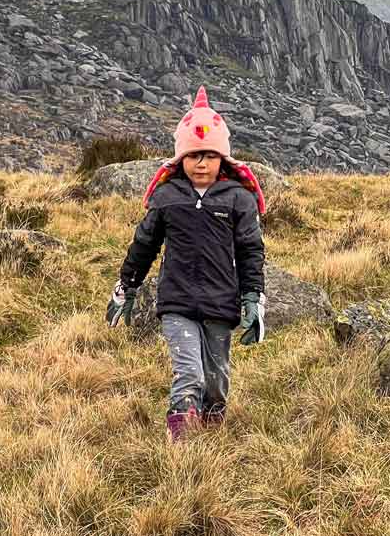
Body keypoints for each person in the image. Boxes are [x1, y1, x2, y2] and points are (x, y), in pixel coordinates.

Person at [106, 86, 268, 442]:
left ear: (222, 159)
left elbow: (250, 250)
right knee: (189, 375)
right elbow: (144, 244)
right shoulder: (167, 198)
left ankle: (210, 438)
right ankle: (179, 449)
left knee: (216, 383)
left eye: (210, 155)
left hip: (220, 304)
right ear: (181, 159)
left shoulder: (239, 200)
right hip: (177, 302)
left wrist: (253, 298)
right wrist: (126, 287)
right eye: (194, 155)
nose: (201, 163)